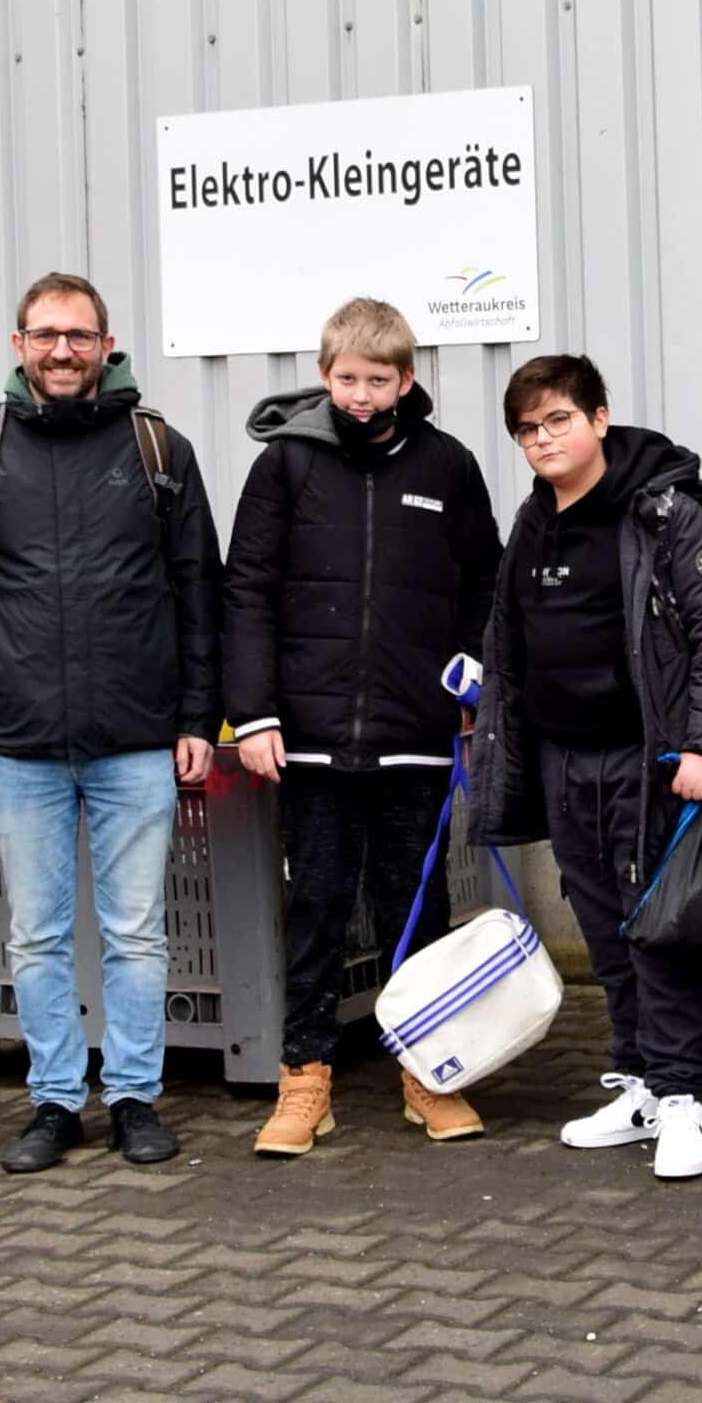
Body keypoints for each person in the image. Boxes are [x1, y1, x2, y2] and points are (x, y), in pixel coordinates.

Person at [0, 272, 224, 1174]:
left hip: (136, 737)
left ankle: (133, 1097)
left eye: (78, 336)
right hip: (20, 745)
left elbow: (199, 591)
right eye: (44, 335)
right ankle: (54, 1100)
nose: (61, 351)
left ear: (106, 343)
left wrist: (200, 713)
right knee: (35, 935)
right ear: (18, 345)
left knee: (136, 932)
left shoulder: (157, 447)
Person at [469, 354, 702, 1182]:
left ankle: (681, 1098)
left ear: (599, 417)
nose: (543, 438)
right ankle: (638, 1082)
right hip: (564, 760)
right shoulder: (533, 520)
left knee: (661, 928)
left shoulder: (662, 511)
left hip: (653, 758)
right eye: (527, 428)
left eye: (559, 419)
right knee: (606, 931)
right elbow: (513, 642)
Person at [224, 298, 502, 1154]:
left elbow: (486, 586)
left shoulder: (449, 465)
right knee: (315, 907)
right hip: (307, 737)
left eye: (378, 380)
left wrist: (471, 677)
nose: (360, 395)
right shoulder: (284, 469)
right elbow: (246, 592)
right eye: (346, 378)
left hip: (417, 734)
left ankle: (428, 1072)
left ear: (405, 380)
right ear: (324, 374)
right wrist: (256, 715)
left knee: (415, 912)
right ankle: (305, 1080)